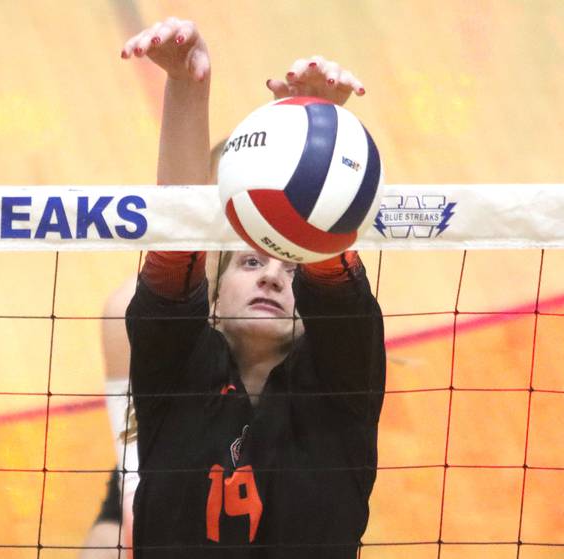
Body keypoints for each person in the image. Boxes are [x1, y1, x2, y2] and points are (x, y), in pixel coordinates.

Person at [121, 17, 385, 558]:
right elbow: (178, 237)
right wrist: (187, 84)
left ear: (310, 310)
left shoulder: (343, 390)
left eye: (291, 270)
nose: (270, 273)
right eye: (247, 262)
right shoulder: (175, 372)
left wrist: (322, 134)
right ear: (211, 301)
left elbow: (333, 277)